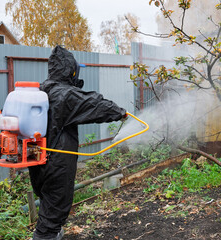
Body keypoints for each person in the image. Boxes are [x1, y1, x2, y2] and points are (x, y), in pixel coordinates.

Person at [28, 45, 127, 240]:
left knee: (49, 209)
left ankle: (53, 233)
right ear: (70, 70)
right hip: (56, 163)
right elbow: (94, 104)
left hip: (36, 159)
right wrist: (120, 113)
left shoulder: (41, 90)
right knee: (50, 221)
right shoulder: (65, 95)